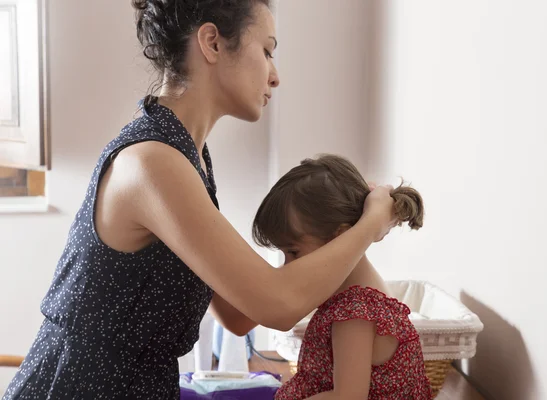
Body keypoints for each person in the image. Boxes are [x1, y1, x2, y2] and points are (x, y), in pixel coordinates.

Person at [2, 1, 400, 399]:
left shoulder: (190, 161)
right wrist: (369, 226)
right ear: (211, 42)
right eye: (266, 50)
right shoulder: (154, 163)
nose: (274, 75)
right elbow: (278, 304)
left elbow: (240, 314)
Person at [252, 154, 433, 400]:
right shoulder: (357, 296)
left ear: (340, 238)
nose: (288, 266)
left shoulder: (354, 312)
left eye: (293, 252)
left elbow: (347, 397)